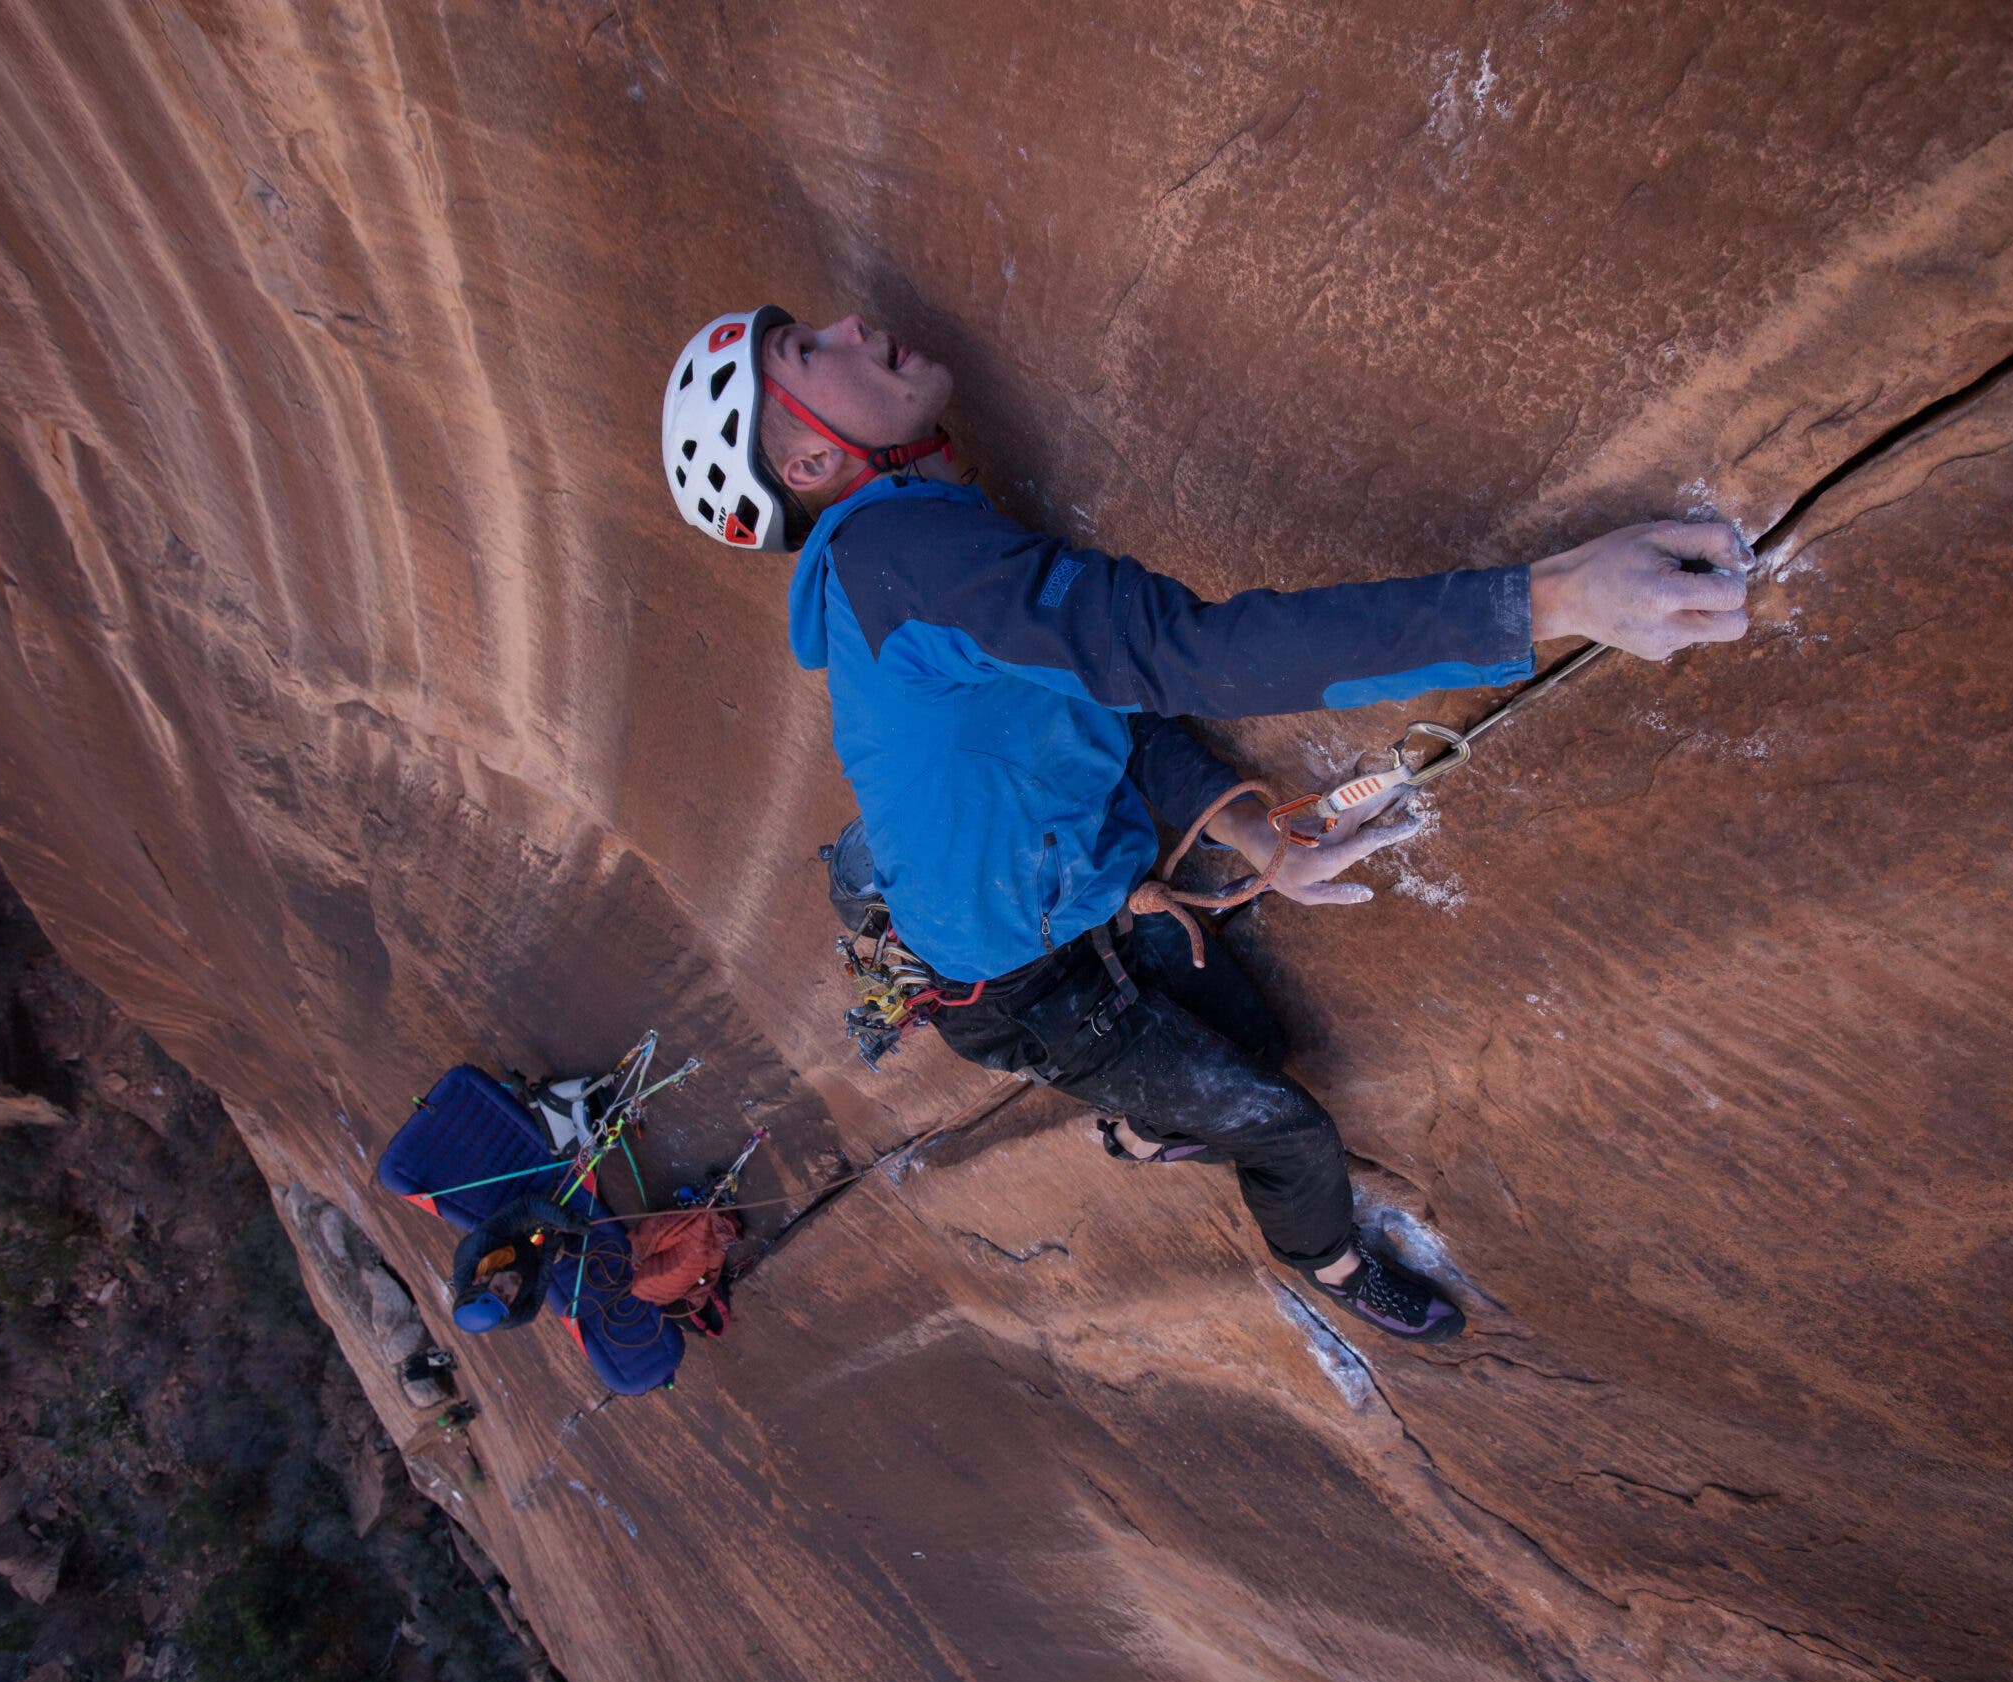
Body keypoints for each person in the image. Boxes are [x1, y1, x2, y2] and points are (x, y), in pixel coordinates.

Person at [659, 306, 1751, 1342]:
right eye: (808, 351)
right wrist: (1550, 599)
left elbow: (1099, 712)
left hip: (1051, 906)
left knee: (1254, 1045)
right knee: (1285, 1125)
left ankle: (1144, 1129)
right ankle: (1330, 1263)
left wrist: (1258, 837)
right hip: (1020, 985)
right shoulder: (905, 557)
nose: (851, 326)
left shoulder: (911, 548)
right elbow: (1176, 656)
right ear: (812, 462)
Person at [446, 1193, 590, 1334]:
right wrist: (547, 1256)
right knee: (561, 1242)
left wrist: (565, 1221)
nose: (512, 1288)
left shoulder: (481, 1244)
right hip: (526, 1263)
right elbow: (533, 1305)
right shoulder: (507, 1317)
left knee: (551, 1203)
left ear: (480, 1280)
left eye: (499, 1289)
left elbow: (526, 1206)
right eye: (507, 1299)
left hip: (510, 1240)